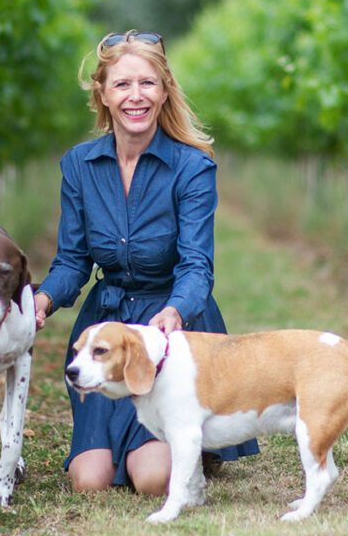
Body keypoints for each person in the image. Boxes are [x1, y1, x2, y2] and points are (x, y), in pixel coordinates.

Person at [33, 30, 259, 495]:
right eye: (122, 85)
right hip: (105, 331)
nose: (136, 96)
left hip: (169, 330)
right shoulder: (79, 165)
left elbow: (197, 266)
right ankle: (135, 440)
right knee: (90, 481)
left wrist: (176, 311)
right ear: (103, 93)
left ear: (164, 90)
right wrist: (42, 299)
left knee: (153, 480)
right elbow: (73, 260)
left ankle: (195, 441)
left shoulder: (192, 168)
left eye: (147, 84)